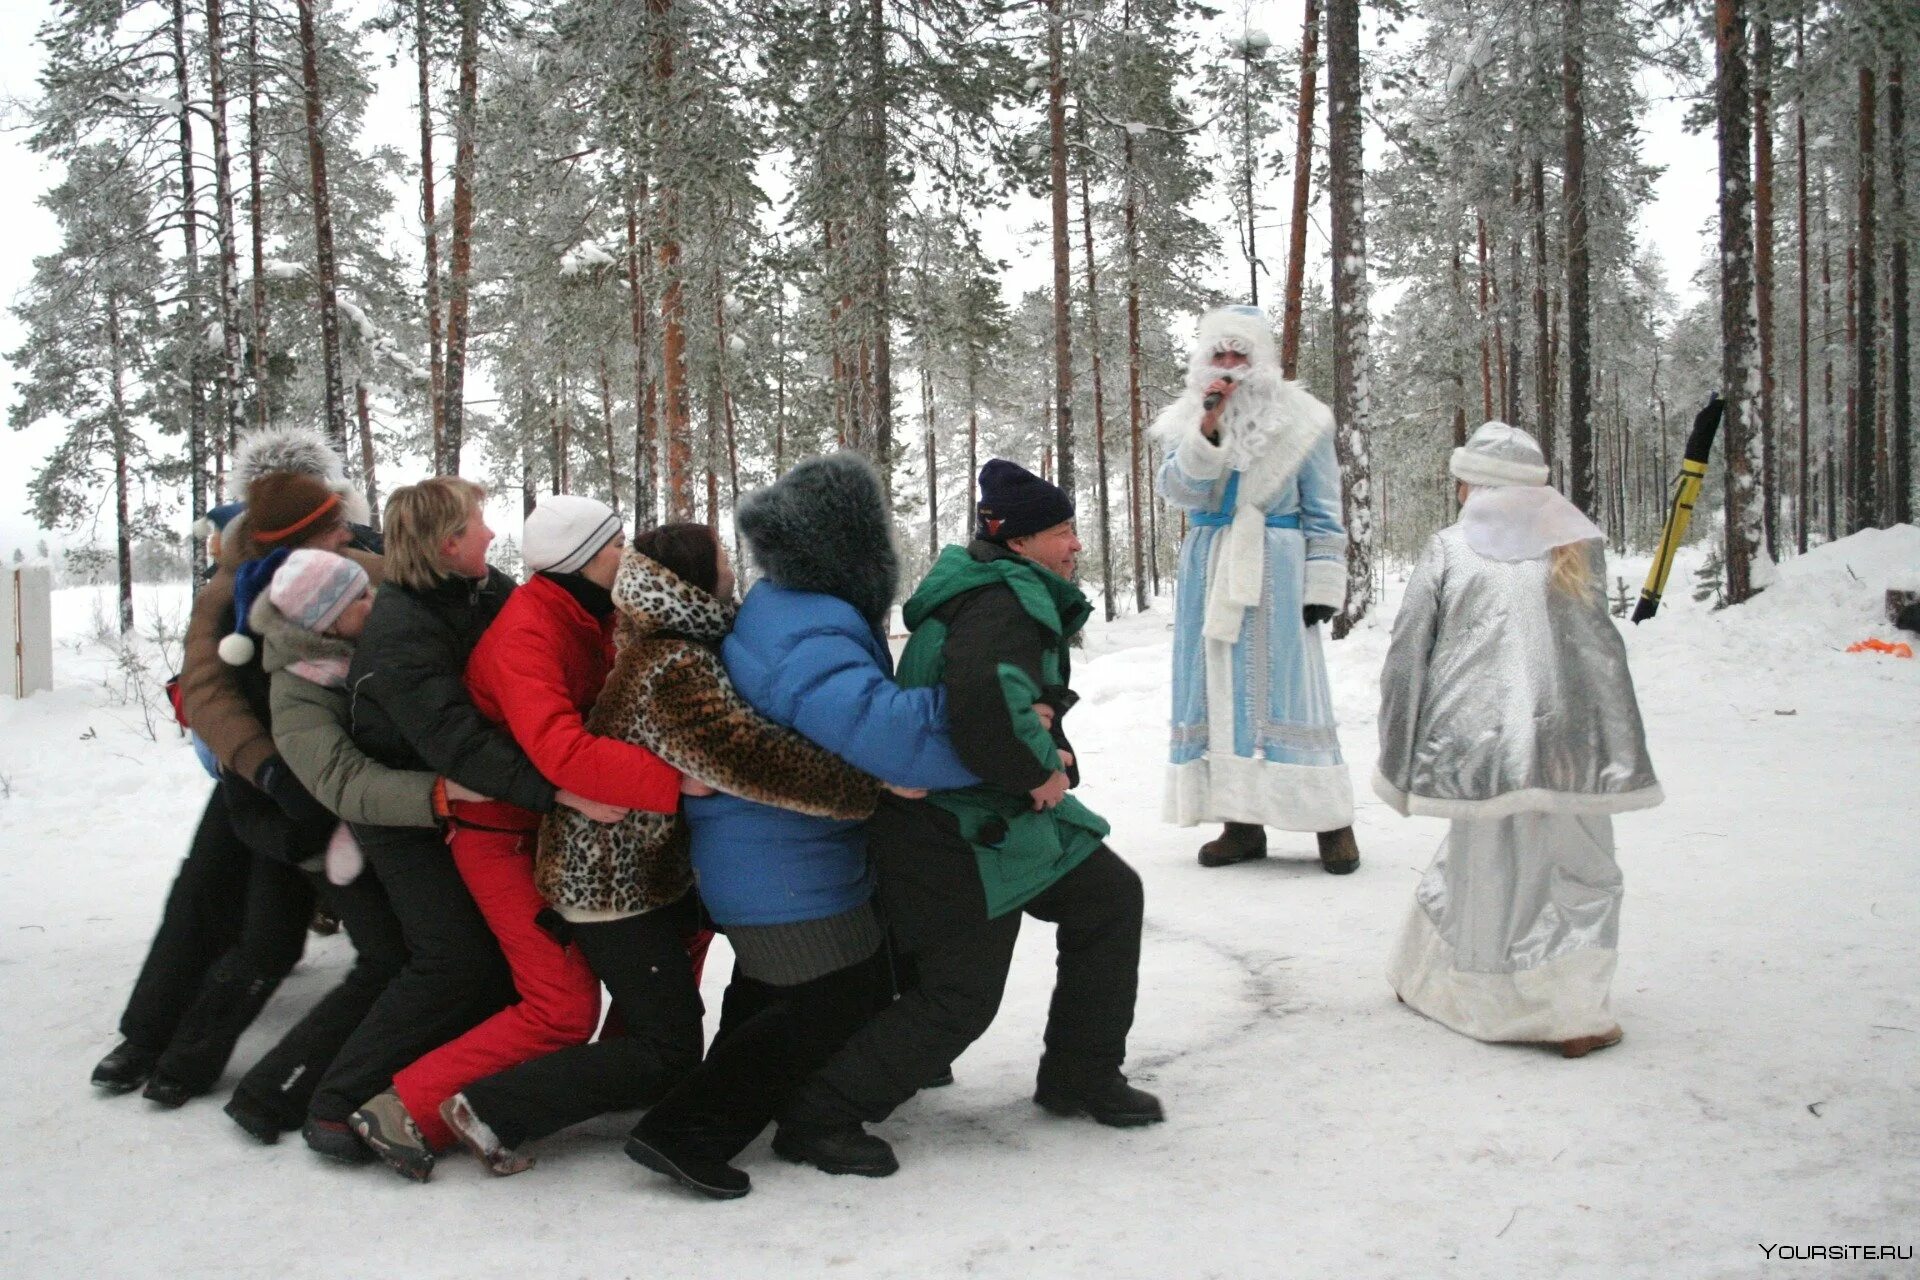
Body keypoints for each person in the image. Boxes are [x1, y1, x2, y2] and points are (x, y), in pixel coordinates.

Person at [441, 522, 892, 1180]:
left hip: (637, 872)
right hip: (607, 882)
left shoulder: (670, 641)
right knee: (667, 1050)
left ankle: (727, 1100)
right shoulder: (675, 664)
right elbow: (750, 758)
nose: (733, 566)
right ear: (693, 578)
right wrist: (867, 782)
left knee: (715, 1010)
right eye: (720, 557)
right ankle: (491, 1107)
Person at [772, 458, 1159, 1181]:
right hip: (954, 833)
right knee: (961, 1000)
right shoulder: (1001, 602)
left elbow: (1019, 699)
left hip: (989, 815)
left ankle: (1080, 1072)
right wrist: (1039, 771)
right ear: (1018, 541)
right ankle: (817, 1117)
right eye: (1064, 531)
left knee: (1108, 896)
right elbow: (983, 711)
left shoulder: (998, 590)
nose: (1077, 544)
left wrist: (1054, 754)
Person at [625, 454, 979, 1200]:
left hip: (761, 851)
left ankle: (730, 1101)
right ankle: (688, 1131)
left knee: (775, 992)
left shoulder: (784, 603)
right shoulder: (809, 625)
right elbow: (892, 737)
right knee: (838, 997)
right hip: (784, 864)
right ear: (850, 547)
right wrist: (996, 731)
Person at [348, 494, 688, 1181]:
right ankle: (403, 1110)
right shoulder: (529, 632)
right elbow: (558, 750)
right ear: (583, 560)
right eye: (616, 544)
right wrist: (680, 781)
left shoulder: (580, 609)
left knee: (677, 926)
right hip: (497, 836)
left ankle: (634, 1077)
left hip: (548, 831)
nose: (628, 554)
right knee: (560, 1006)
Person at [304, 478, 615, 1165]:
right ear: (447, 544)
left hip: (466, 800)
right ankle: (336, 1103)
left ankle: (458, 1098)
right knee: (449, 960)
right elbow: (459, 743)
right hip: (407, 813)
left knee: (494, 966)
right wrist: (562, 789)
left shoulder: (476, 589)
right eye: (478, 524)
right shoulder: (401, 630)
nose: (491, 534)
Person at [90, 432, 377, 1108]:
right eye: (329, 525)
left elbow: (401, 586)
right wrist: (265, 767)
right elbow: (207, 687)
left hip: (322, 779)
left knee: (272, 934)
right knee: (200, 902)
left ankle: (193, 1057)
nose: (343, 532)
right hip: (260, 778)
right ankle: (147, 1034)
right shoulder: (230, 587)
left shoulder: (355, 565)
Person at [1376, 422, 1662, 1057]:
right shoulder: (1577, 545)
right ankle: (1571, 1009)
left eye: (1462, 481)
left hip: (1479, 751)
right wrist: (1610, 742)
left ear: (1478, 484)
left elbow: (1407, 653)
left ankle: (1468, 993)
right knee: (1578, 863)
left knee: (1483, 863)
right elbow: (1599, 653)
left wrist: (1399, 753)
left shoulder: (1450, 548)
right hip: (1569, 748)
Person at [220, 549, 486, 1141]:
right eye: (359, 599)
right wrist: (441, 794)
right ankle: (284, 1094)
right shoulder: (297, 689)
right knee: (399, 963)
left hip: (389, 831)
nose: (375, 602)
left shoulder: (360, 652)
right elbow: (343, 783)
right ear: (325, 620)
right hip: (338, 844)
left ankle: (348, 1088)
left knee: (425, 963)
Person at [1153, 305, 1361, 873]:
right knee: (1217, 690)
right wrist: (1206, 429)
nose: (1228, 366)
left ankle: (1330, 823)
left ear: (1261, 360)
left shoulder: (1305, 421)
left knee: (1291, 692)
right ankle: (1240, 825)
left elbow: (1324, 511)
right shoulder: (1185, 418)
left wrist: (1323, 581)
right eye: (1218, 355)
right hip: (1210, 566)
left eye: (1238, 354)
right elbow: (1178, 492)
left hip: (1279, 565)